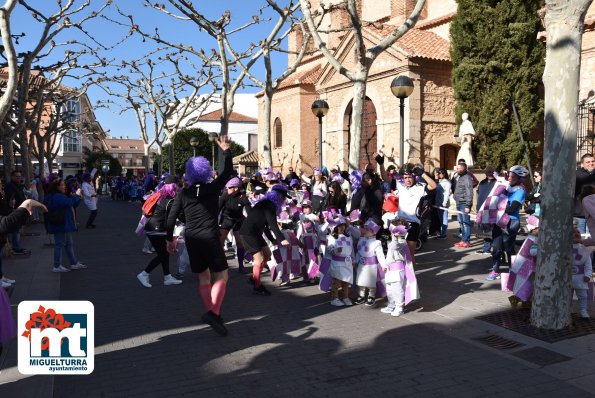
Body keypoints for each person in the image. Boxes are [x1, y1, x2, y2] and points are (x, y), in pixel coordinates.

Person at [166, 136, 233, 336]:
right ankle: (214, 312)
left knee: (204, 278)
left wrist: (170, 240)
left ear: (188, 172)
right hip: (210, 236)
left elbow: (170, 219)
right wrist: (226, 150)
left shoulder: (182, 194)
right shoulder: (212, 188)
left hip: (192, 238)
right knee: (222, 275)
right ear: (206, 171)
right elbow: (227, 172)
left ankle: (213, 314)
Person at [239, 184, 290, 296]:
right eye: (283, 197)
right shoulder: (268, 205)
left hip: (255, 233)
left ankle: (254, 279)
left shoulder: (267, 204)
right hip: (248, 233)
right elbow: (273, 224)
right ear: (278, 196)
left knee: (267, 253)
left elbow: (266, 225)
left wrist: (272, 239)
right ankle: (257, 286)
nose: (284, 199)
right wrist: (281, 239)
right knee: (259, 259)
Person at [137, 176, 183, 288]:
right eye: (177, 185)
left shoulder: (159, 195)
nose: (178, 187)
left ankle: (167, 277)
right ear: (173, 185)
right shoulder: (170, 199)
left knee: (164, 254)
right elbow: (174, 217)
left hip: (152, 227)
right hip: (156, 229)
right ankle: (144, 274)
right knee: (164, 254)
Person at [486, 165, 528, 281]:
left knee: (509, 248)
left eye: (512, 176)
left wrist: (497, 203)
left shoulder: (520, 191)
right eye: (509, 175)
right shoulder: (506, 187)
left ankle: (512, 270)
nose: (509, 178)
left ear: (519, 178)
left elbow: (512, 208)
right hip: (498, 220)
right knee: (496, 247)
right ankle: (495, 270)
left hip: (511, 221)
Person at [391, 164, 437, 265]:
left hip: (413, 224)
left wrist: (423, 174)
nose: (408, 180)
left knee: (410, 254)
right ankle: (401, 276)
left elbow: (433, 185)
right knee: (397, 252)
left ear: (414, 177)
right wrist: (381, 164)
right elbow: (386, 179)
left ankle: (412, 279)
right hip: (399, 222)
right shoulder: (400, 185)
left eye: (410, 177)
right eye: (405, 178)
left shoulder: (420, 187)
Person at [43, 178, 87, 273]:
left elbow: (70, 203)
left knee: (68, 244)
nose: (65, 186)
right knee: (59, 244)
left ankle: (73, 263)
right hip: (60, 223)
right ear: (57, 187)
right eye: (62, 185)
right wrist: (77, 195)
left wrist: (76, 197)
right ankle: (57, 265)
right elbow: (69, 203)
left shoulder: (53, 195)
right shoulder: (57, 196)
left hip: (61, 223)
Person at [380, 221, 419, 317]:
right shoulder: (394, 241)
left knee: (397, 290)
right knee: (389, 289)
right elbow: (389, 254)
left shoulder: (402, 242)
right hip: (390, 269)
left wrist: (395, 238)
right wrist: (385, 265)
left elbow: (395, 247)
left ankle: (399, 307)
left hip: (397, 269)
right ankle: (391, 305)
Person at [218, 177, 251, 273]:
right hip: (226, 219)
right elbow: (217, 210)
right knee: (220, 242)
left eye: (229, 187)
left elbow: (250, 212)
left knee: (240, 243)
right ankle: (221, 265)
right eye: (227, 187)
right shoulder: (224, 195)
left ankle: (241, 266)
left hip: (239, 221)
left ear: (236, 188)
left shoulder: (243, 197)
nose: (226, 189)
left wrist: (251, 223)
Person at [354, 219, 385, 307]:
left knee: (371, 282)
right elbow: (358, 252)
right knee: (361, 281)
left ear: (373, 232)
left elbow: (380, 255)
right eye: (365, 229)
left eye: (367, 230)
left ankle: (371, 296)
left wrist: (383, 265)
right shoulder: (361, 240)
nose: (365, 231)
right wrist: (356, 261)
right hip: (362, 264)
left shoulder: (376, 243)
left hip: (372, 265)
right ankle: (361, 295)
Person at [4, 170, 29, 255]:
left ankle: (16, 246)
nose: (19, 178)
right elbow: (10, 199)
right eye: (17, 176)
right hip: (15, 210)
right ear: (12, 177)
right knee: (15, 230)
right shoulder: (10, 186)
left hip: (20, 209)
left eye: (19, 176)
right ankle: (16, 247)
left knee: (17, 230)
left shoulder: (18, 185)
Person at [475, 166, 497, 254]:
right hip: (481, 209)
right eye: (488, 171)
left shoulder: (497, 183)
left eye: (491, 172)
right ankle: (486, 248)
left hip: (492, 209)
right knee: (485, 229)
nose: (489, 173)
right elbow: (478, 194)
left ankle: (490, 248)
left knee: (491, 229)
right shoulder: (482, 182)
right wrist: (477, 207)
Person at [572, 228, 592, 319]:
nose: (576, 234)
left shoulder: (584, 249)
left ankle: (583, 310)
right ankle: (568, 310)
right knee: (567, 295)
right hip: (567, 277)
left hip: (580, 277)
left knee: (583, 295)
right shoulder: (564, 247)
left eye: (578, 232)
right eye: (573, 232)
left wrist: (588, 275)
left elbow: (588, 264)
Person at [452, 162, 474, 248]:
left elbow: (469, 192)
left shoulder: (467, 178)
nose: (456, 170)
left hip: (464, 204)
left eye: (458, 168)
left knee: (465, 223)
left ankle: (467, 241)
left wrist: (468, 205)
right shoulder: (460, 177)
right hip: (459, 203)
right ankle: (463, 240)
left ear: (464, 168)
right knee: (461, 222)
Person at [574, 154, 595, 234]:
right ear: (582, 164)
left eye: (593, 161)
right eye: (588, 162)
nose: (591, 163)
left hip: (593, 213)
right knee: (580, 238)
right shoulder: (576, 175)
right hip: (579, 214)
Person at [434, 168, 451, 240]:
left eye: (442, 173)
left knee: (444, 219)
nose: (440, 174)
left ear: (445, 174)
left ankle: (443, 235)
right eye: (439, 173)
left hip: (443, 204)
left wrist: (444, 203)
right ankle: (442, 233)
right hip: (438, 203)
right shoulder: (439, 182)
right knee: (441, 219)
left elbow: (447, 193)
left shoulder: (447, 182)